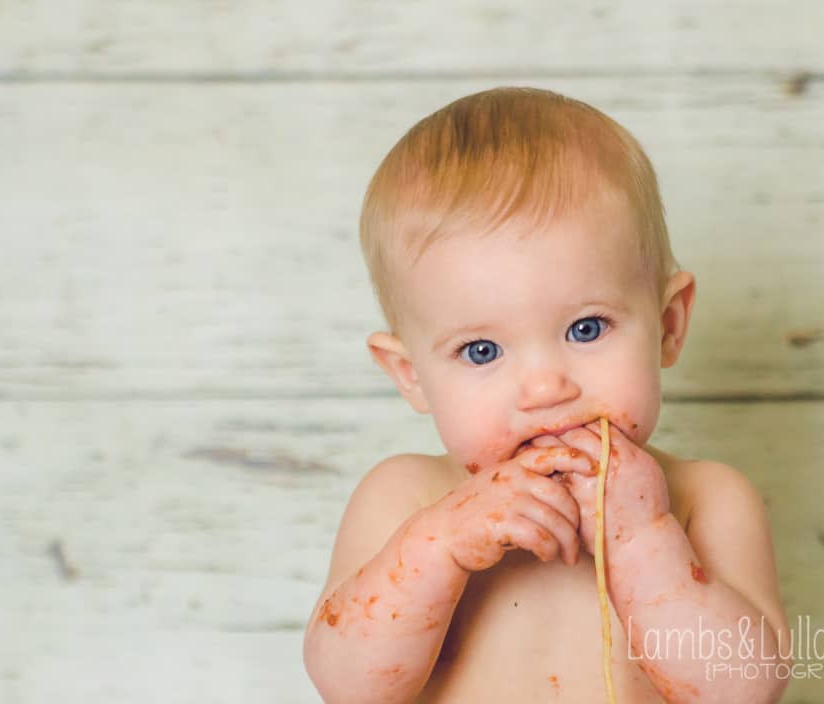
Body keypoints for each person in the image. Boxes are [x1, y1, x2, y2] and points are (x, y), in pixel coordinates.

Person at [303, 86, 792, 703]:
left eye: (585, 328)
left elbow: (741, 691)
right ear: (411, 376)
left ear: (668, 324)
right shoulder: (405, 497)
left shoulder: (706, 501)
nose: (544, 388)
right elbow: (346, 685)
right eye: (481, 350)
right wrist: (439, 548)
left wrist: (643, 539)